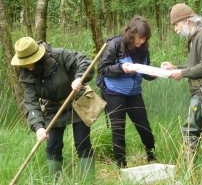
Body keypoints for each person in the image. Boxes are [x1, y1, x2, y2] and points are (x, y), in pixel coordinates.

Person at [11, 37, 95, 182]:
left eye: (26, 62)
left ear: (36, 57)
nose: (24, 66)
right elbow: (30, 102)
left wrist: (79, 78)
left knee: (82, 143)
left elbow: (85, 61)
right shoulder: (25, 74)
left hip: (76, 101)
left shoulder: (58, 55)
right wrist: (38, 127)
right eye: (22, 63)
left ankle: (89, 181)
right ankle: (56, 182)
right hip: (52, 108)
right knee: (53, 147)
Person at [161, 3, 202, 168]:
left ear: (187, 21)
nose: (175, 29)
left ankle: (189, 174)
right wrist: (177, 68)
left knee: (190, 132)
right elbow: (197, 66)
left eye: (176, 25)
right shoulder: (196, 36)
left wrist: (182, 73)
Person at [96, 15, 156, 168]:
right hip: (114, 92)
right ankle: (121, 166)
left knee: (144, 127)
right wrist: (121, 68)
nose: (142, 41)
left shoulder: (143, 49)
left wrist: (152, 74)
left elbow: (144, 70)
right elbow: (102, 69)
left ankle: (152, 156)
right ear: (131, 34)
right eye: (140, 38)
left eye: (145, 39)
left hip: (134, 93)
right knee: (118, 130)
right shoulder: (115, 44)